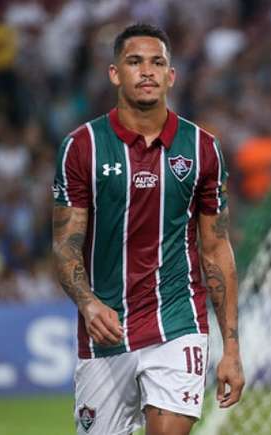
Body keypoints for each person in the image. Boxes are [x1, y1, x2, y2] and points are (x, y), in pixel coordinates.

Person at [51, 23, 244, 435]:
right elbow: (66, 245)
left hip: (178, 322)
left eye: (157, 62)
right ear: (115, 73)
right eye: (134, 62)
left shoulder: (201, 148)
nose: (147, 71)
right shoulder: (82, 147)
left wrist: (231, 348)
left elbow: (215, 248)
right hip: (105, 330)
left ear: (171, 76)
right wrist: (87, 303)